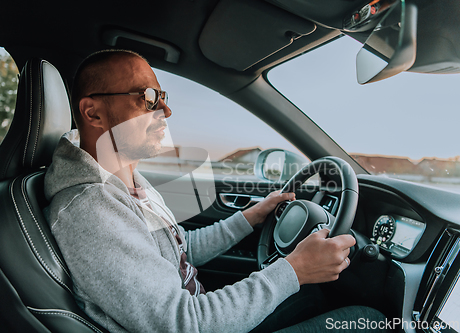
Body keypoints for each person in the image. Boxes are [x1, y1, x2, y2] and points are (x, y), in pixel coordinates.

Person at [44, 50, 386, 332]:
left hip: (199, 314)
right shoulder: (91, 208)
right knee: (371, 323)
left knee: (314, 298)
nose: (166, 111)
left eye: (162, 97)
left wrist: (249, 217)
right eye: (148, 98)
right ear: (93, 113)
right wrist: (293, 270)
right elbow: (183, 324)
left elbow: (177, 249)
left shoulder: (125, 180)